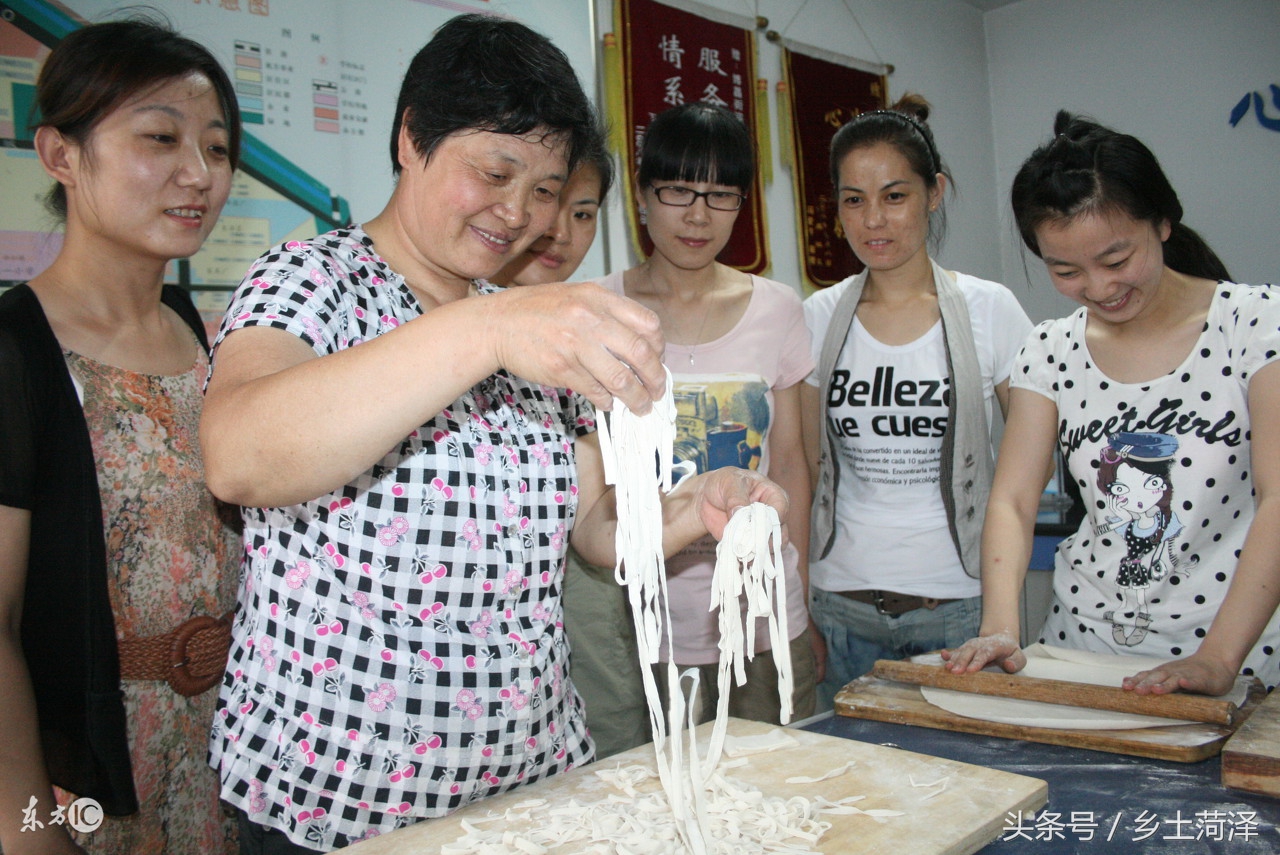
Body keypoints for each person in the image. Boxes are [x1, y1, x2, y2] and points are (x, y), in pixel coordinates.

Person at [199, 15, 787, 852]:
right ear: (411, 138)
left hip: (530, 783)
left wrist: (698, 507)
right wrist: (489, 331)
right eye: (495, 171)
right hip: (342, 797)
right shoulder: (314, 280)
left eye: (546, 188)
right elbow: (240, 455)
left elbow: (594, 530)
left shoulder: (525, 327)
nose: (522, 215)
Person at [0, 17, 241, 854]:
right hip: (97, 773)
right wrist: (24, 826)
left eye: (216, 147)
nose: (198, 174)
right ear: (62, 155)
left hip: (234, 755)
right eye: (160, 138)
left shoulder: (207, 335)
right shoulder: (17, 351)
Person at [943, 112, 1280, 695]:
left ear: (1164, 221)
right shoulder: (1051, 349)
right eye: (1066, 270)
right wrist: (1000, 627)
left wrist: (1218, 660)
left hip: (1236, 655)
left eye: (1117, 261)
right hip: (1084, 654)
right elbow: (1015, 500)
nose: (1099, 289)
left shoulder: (1254, 325)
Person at [801, 94, 1033, 710]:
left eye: (894, 196)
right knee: (857, 791)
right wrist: (799, 606)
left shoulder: (991, 310)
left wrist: (1001, 619)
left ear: (935, 193)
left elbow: (1026, 473)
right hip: (841, 606)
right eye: (854, 199)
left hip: (957, 611)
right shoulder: (818, 318)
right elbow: (806, 470)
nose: (873, 220)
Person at [600, 101, 817, 727]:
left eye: (721, 195)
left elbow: (792, 466)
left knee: (781, 803)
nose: (698, 215)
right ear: (641, 195)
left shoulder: (778, 309)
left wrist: (794, 592)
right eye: (677, 190)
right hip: (648, 630)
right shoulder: (599, 311)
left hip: (766, 628)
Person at [491, 149, 651, 760]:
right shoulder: (445, 318)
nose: (559, 232)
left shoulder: (590, 331)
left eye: (582, 213)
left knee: (609, 732)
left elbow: (597, 513)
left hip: (582, 593)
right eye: (545, 204)